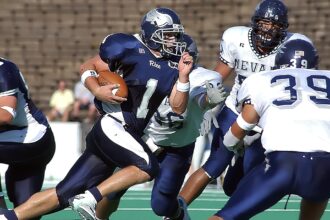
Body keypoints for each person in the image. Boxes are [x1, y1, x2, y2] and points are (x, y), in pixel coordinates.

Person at [0, 7, 193, 220]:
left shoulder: (174, 64)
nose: (173, 40)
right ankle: (91, 197)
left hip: (128, 133)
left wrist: (184, 78)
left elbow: (177, 107)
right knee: (147, 167)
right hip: (114, 124)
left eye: (175, 35)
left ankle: (8, 217)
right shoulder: (128, 45)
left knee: (63, 193)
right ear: (151, 33)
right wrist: (96, 89)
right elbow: (88, 66)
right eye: (168, 35)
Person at [68, 34, 227, 220]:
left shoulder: (202, 76)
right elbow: (94, 66)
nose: (172, 58)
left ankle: (179, 212)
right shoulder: (153, 67)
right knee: (112, 192)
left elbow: (199, 99)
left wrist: (208, 100)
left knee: (162, 205)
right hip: (145, 137)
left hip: (177, 147)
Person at [179, 0, 314, 204]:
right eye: (265, 24)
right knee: (213, 167)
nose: (269, 31)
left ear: (284, 29)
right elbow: (217, 76)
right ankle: (173, 214)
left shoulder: (294, 46)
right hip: (235, 112)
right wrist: (204, 103)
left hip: (266, 121)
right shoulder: (236, 38)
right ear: (255, 23)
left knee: (238, 186)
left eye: (275, 26)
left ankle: (239, 165)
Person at [209, 39, 330, 220]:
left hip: (283, 164)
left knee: (225, 217)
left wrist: (230, 148)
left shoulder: (261, 80)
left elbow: (241, 126)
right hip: (326, 165)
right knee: (318, 194)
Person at [0, 57, 56, 218]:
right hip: (13, 139)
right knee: (27, 212)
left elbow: (6, 114)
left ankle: (78, 191)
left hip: (32, 139)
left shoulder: (3, 68)